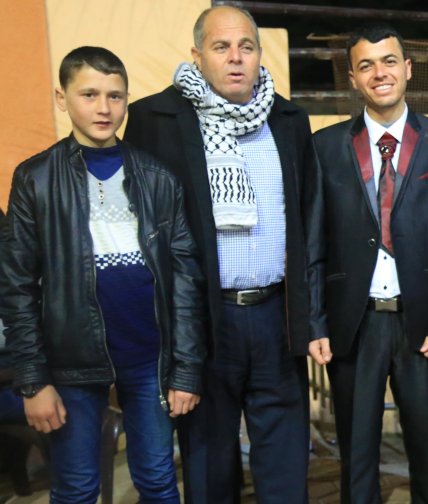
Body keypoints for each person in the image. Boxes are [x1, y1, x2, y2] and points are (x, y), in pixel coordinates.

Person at [124, 6, 325, 503]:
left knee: (286, 463)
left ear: (259, 54)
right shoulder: (155, 120)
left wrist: (309, 316)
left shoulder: (288, 119)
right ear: (197, 55)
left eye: (246, 47)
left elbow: (309, 221)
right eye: (221, 47)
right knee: (209, 467)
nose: (236, 58)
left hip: (276, 316)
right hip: (205, 322)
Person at [0, 46, 205, 504]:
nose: (104, 108)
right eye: (89, 94)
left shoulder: (157, 177)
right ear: (62, 97)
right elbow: (16, 287)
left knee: (158, 481)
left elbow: (185, 281)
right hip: (70, 364)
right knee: (76, 488)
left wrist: (187, 369)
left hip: (149, 358)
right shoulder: (36, 179)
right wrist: (33, 381)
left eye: (115, 96)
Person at [311, 24, 428, 503]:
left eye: (388, 62)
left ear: (407, 69)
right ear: (352, 79)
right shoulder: (326, 146)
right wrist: (316, 321)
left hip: (423, 326)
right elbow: (313, 240)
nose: (379, 73)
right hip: (353, 324)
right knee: (356, 456)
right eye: (366, 65)